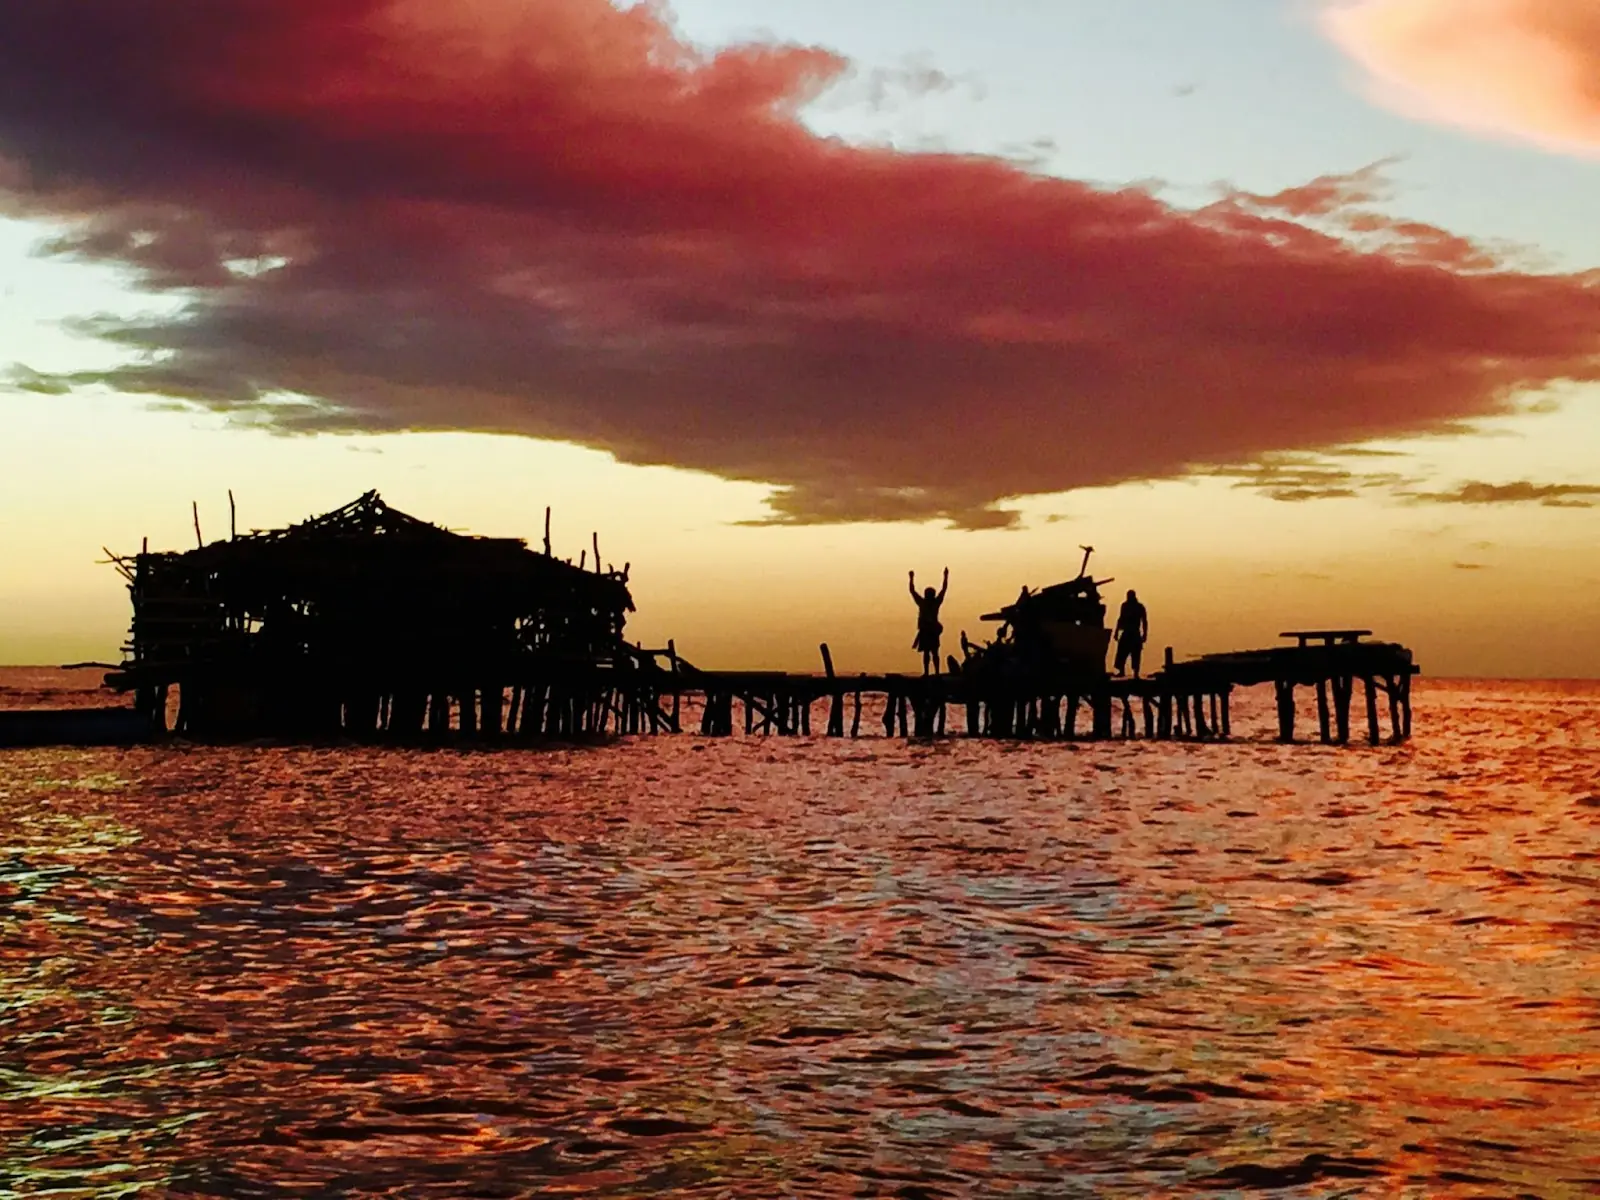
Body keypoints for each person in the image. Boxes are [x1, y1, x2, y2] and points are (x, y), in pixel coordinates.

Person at [909, 568, 949, 675]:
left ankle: (934, 673)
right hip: (926, 631)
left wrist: (946, 576)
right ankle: (929, 672)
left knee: (933, 652)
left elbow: (944, 589)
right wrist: (911, 578)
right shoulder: (924, 603)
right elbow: (912, 591)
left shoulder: (931, 603)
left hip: (931, 631)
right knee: (928, 653)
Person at [1113, 589, 1149, 678]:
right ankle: (1122, 671)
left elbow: (1144, 621)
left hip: (1134, 633)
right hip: (1126, 632)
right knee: (1121, 652)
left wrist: (1145, 634)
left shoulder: (1140, 607)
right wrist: (1116, 631)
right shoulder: (1124, 606)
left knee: (1136, 654)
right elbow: (1120, 619)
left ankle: (1136, 673)